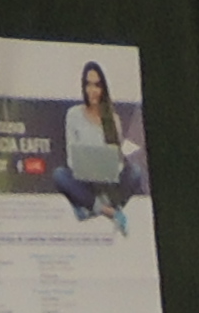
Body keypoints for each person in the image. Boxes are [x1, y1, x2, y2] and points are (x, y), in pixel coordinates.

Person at [54, 59, 140, 229]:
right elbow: (71, 155)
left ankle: (90, 207)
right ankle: (108, 210)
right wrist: (85, 169)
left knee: (136, 172)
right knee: (59, 175)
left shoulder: (113, 119)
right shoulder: (74, 114)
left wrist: (113, 170)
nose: (92, 90)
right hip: (83, 178)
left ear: (103, 89)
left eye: (97, 85)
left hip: (107, 181)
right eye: (88, 84)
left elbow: (117, 158)